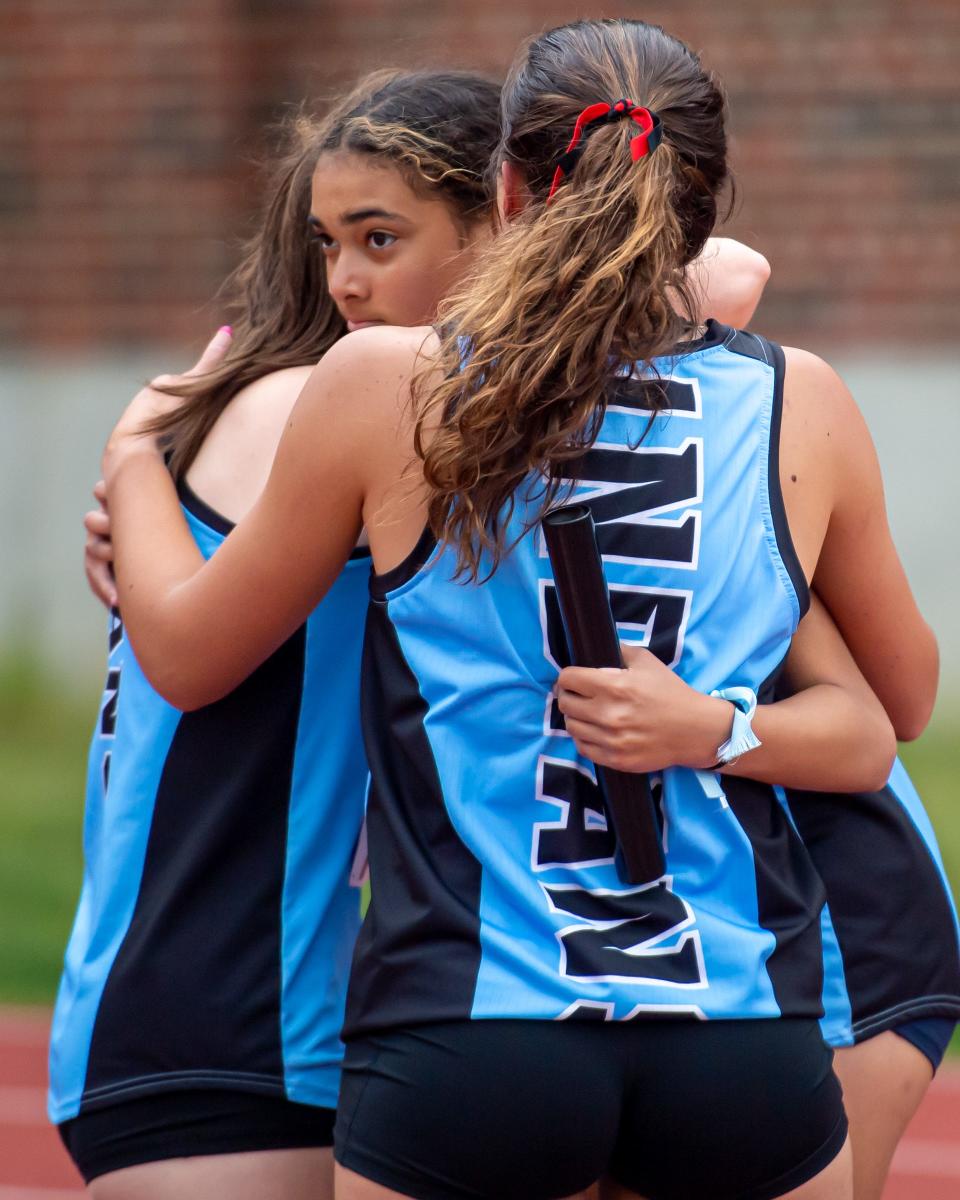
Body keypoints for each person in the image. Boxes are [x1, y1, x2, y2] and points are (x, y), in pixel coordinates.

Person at [57, 61, 776, 1200]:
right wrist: (130, 459)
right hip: (237, 1021)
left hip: (253, 1009)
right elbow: (725, 286)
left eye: (377, 241)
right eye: (330, 243)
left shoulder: (391, 413)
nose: (343, 278)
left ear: (497, 217)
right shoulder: (353, 403)